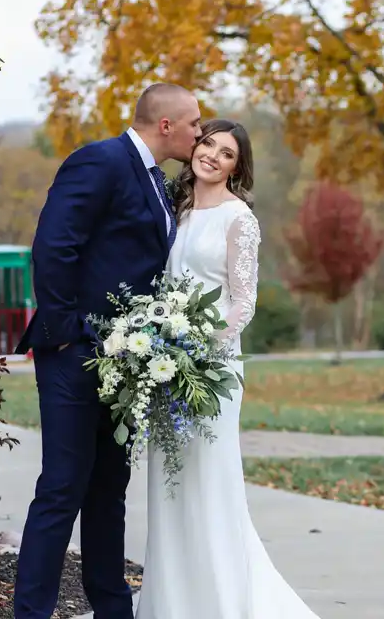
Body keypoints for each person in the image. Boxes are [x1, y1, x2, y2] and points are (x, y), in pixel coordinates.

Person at [14, 83, 203, 619]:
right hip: (74, 355)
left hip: (125, 361)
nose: (199, 131)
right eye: (193, 122)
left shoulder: (159, 183)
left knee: (107, 489)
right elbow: (54, 244)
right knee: (62, 489)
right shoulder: (100, 160)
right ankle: (31, 613)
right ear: (165, 125)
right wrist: (68, 330)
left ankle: (113, 609)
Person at [133, 118, 321, 618]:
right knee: (168, 485)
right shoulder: (175, 208)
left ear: (238, 168)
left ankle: (221, 603)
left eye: (228, 153)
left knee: (209, 483)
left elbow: (244, 305)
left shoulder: (240, 219)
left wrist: (196, 342)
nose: (213, 155)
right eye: (209, 143)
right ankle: (171, 603)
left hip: (210, 369)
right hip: (164, 364)